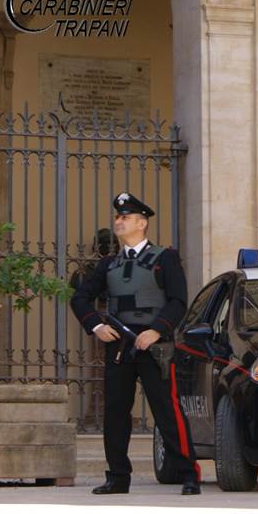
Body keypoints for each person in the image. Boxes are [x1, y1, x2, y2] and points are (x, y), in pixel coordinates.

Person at [71, 192, 200, 495]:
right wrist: (96, 325)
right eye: (117, 217)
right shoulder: (107, 265)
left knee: (167, 410)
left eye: (125, 217)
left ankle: (188, 473)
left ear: (141, 223)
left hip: (155, 347)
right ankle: (117, 476)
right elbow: (80, 297)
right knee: (115, 412)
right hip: (119, 347)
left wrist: (156, 330)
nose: (119, 221)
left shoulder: (164, 258)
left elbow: (178, 301)